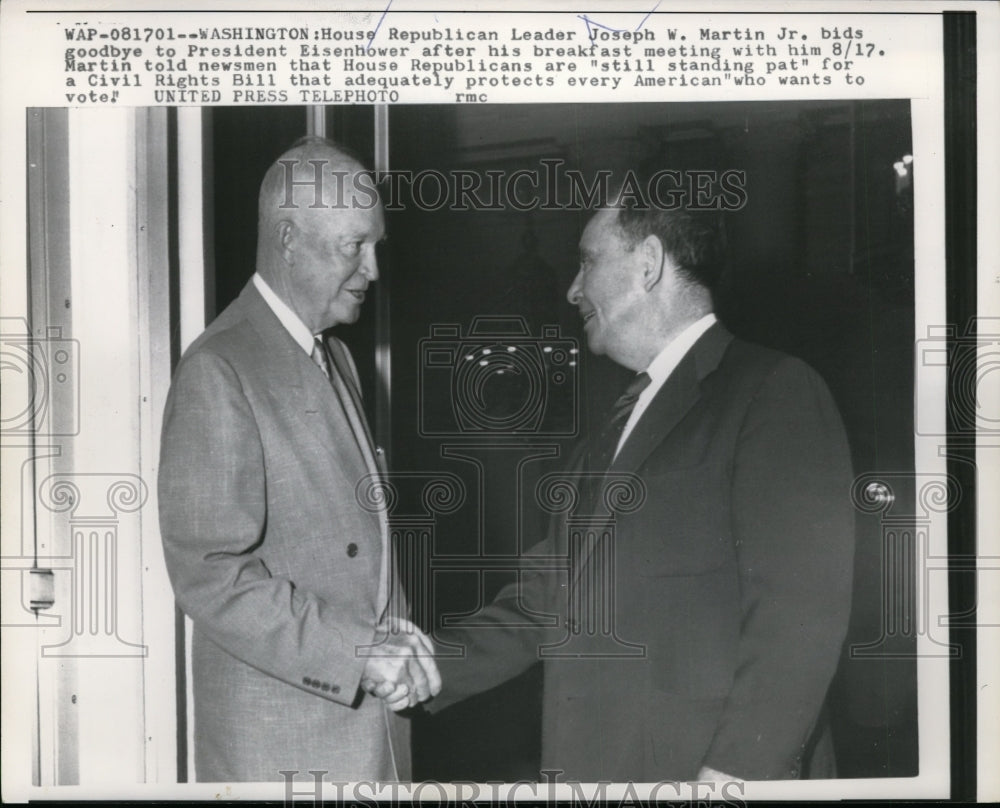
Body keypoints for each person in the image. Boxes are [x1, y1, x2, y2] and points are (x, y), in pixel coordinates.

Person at [425, 186, 856, 782]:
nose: (572, 289)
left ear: (649, 263)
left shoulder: (773, 391)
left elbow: (801, 612)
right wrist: (428, 664)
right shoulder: (605, 433)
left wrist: (736, 774)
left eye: (588, 261)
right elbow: (546, 598)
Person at [158, 138, 439, 783]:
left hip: (368, 739)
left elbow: (340, 541)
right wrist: (361, 651)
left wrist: (389, 625)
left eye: (375, 247)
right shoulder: (219, 367)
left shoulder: (335, 358)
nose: (372, 269)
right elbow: (209, 575)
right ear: (288, 239)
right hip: (283, 750)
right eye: (353, 246)